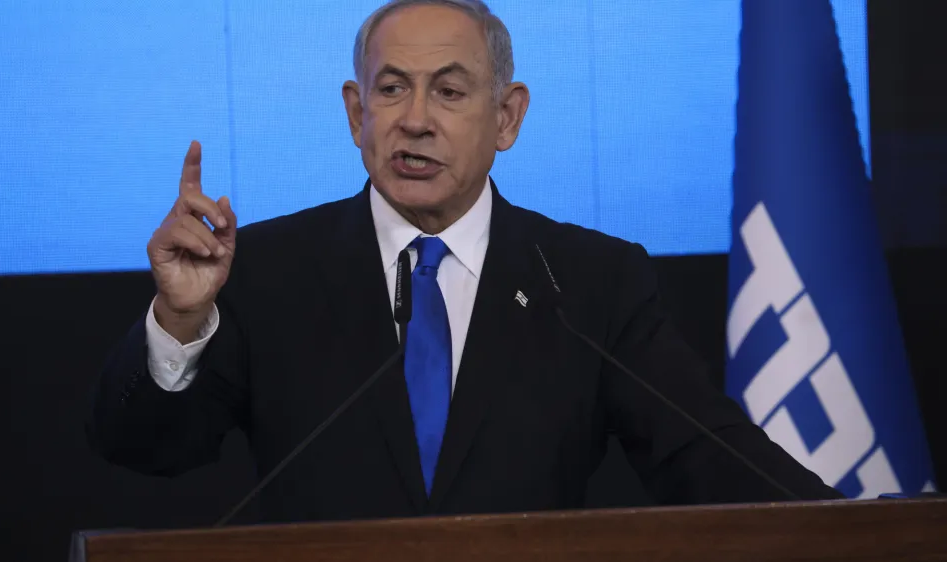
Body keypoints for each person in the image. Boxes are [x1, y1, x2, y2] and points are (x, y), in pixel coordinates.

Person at [88, 0, 841, 523]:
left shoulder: (590, 281)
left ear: (507, 117)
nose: (415, 119)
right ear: (356, 113)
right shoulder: (267, 270)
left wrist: (867, 533)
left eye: (449, 91)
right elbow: (143, 449)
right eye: (392, 89)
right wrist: (179, 320)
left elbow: (704, 456)